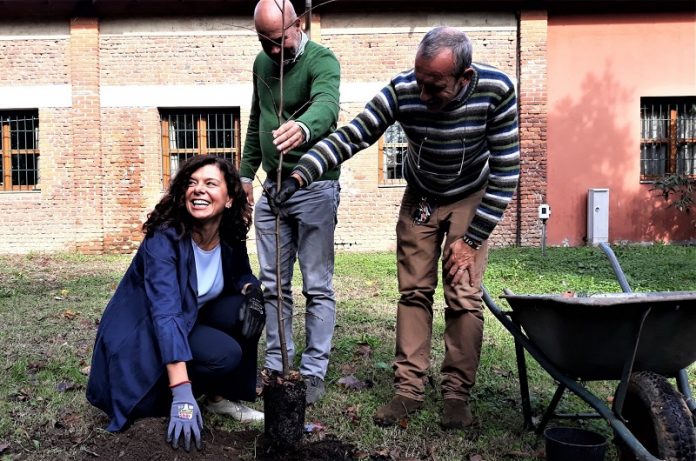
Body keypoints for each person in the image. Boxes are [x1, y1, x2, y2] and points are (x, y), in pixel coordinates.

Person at [273, 27, 520, 429]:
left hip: (471, 195)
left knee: (463, 294)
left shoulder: (496, 90)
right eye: (419, 82)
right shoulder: (404, 89)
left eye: (435, 86)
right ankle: (408, 390)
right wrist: (302, 174)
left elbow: (507, 171)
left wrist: (471, 240)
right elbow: (354, 135)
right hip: (422, 194)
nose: (422, 95)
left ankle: (456, 396)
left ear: (465, 77)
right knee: (414, 291)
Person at [87, 155, 266, 452]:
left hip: (188, 318)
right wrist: (182, 393)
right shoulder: (165, 238)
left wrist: (253, 291)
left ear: (230, 198)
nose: (198, 190)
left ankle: (217, 400)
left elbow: (241, 274)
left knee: (243, 310)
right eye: (192, 183)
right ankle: (174, 394)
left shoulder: (229, 235)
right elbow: (166, 313)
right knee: (223, 355)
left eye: (210, 183)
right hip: (142, 334)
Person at [239, 0, 341, 404]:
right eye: (266, 43)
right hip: (272, 190)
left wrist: (303, 126)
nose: (275, 52)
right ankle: (279, 363)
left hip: (315, 187)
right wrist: (246, 174)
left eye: (280, 41)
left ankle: (314, 371)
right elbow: (255, 119)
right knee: (272, 285)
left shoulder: (323, 60)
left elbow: (327, 106)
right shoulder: (261, 65)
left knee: (316, 285)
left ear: (299, 23)